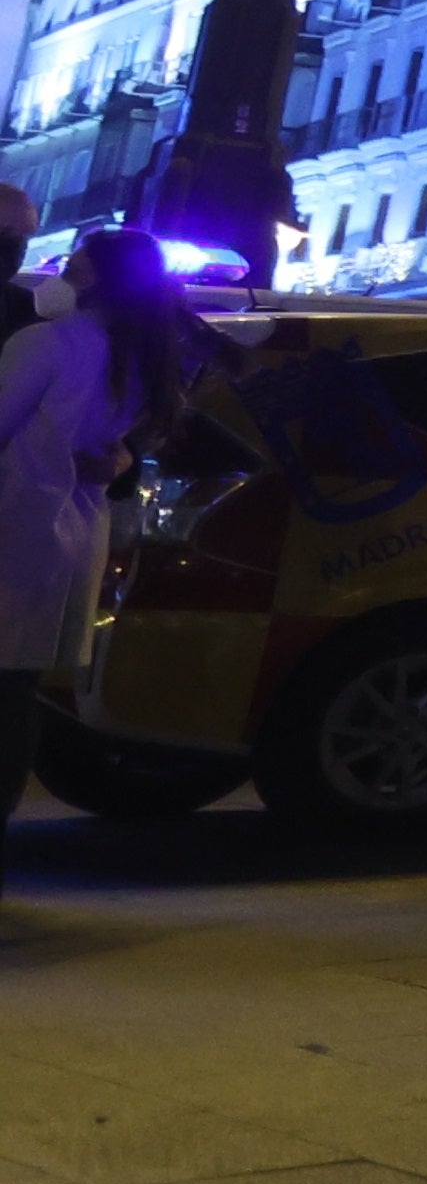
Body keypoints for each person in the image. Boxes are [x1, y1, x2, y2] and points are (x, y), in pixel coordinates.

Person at [2, 230, 206, 866]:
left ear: (96, 277)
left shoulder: (47, 343)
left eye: (73, 262)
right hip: (71, 533)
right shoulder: (143, 355)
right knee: (15, 693)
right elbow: (119, 449)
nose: (61, 270)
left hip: (14, 526)